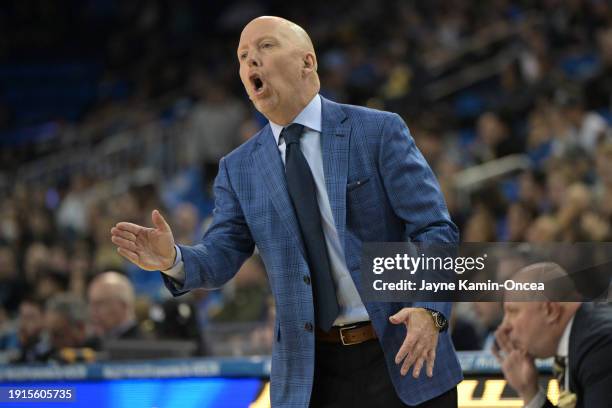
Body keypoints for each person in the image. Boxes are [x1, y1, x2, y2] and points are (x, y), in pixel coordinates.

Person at [111, 16, 460, 407]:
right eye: (242, 56)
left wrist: (429, 311)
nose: (250, 62)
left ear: (307, 63)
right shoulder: (238, 167)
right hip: (311, 374)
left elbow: (435, 230)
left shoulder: (377, 131)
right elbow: (222, 254)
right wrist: (172, 259)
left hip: (402, 352)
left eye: (265, 47)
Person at [493, 263, 612, 407]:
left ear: (550, 311)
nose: (505, 326)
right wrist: (529, 392)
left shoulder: (600, 347)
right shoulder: (581, 336)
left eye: (513, 311)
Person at [87, 271, 145, 341]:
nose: (93, 311)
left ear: (123, 305)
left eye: (100, 304)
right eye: (91, 304)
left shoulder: (144, 345)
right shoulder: (92, 343)